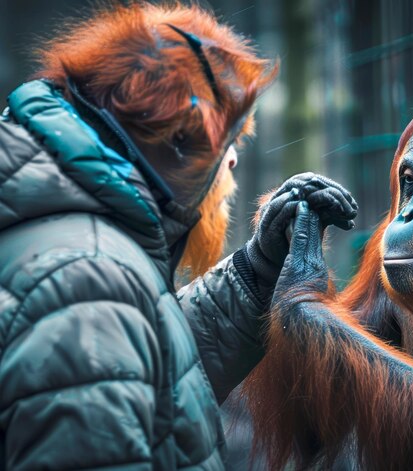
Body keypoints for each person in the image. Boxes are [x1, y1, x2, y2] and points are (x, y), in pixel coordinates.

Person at [0, 4, 357, 470]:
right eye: (226, 143)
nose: (231, 162)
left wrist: (255, 272)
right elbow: (103, 335)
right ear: (173, 142)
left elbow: (143, 367)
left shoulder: (74, 245)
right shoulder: (86, 282)